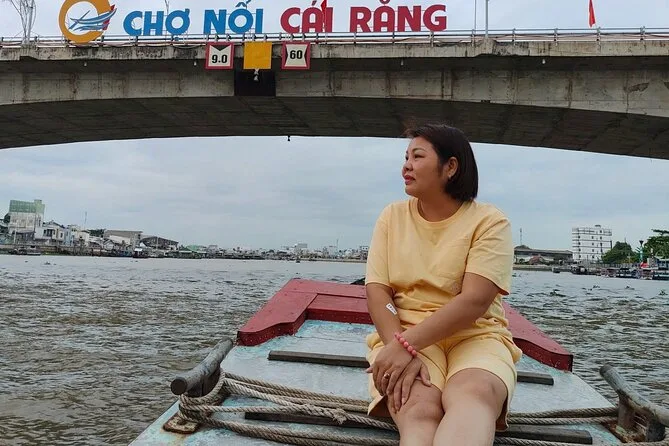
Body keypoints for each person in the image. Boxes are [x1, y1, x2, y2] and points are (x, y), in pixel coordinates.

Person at [364, 123, 522, 446]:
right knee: (418, 407)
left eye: (417, 156)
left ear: (450, 167)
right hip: (405, 330)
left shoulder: (489, 222)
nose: (406, 166)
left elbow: (475, 300)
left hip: (476, 335)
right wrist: (399, 346)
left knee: (474, 395)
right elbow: (378, 291)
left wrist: (404, 346)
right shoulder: (391, 217)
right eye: (406, 157)